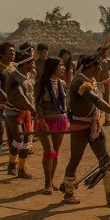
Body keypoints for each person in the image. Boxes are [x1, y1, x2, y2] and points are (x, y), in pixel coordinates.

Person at [59, 54, 110, 207]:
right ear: (91, 67)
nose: (101, 69)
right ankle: (68, 193)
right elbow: (96, 100)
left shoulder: (89, 80)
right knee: (75, 159)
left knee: (105, 157)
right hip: (80, 126)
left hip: (94, 125)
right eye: (99, 66)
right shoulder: (79, 82)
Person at [33, 57, 70, 195]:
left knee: (55, 152)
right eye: (61, 65)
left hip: (60, 120)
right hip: (46, 121)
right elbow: (38, 105)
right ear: (53, 67)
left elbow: (65, 104)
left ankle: (51, 180)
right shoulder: (41, 83)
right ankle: (47, 183)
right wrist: (42, 123)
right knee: (49, 151)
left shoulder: (62, 83)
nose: (63, 68)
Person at [2, 47, 39, 179]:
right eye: (32, 62)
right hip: (13, 112)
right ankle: (12, 165)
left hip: (26, 112)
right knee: (19, 138)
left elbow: (31, 95)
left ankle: (22, 169)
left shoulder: (29, 75)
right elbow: (20, 96)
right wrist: (33, 109)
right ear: (25, 64)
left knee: (26, 141)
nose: (34, 65)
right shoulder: (14, 77)